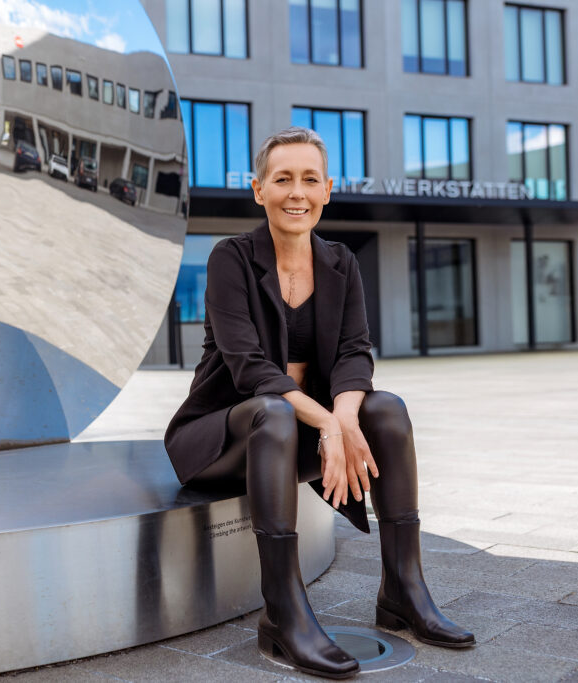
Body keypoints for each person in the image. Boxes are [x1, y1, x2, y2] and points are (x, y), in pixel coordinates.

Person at [165, 128, 474, 679]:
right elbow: (248, 367)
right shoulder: (230, 259)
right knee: (275, 410)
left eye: (310, 179)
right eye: (282, 179)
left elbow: (356, 351)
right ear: (259, 190)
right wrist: (329, 425)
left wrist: (345, 420)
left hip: (290, 433)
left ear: (327, 190)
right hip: (223, 438)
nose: (297, 192)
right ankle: (283, 612)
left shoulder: (340, 262)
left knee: (386, 408)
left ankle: (403, 590)